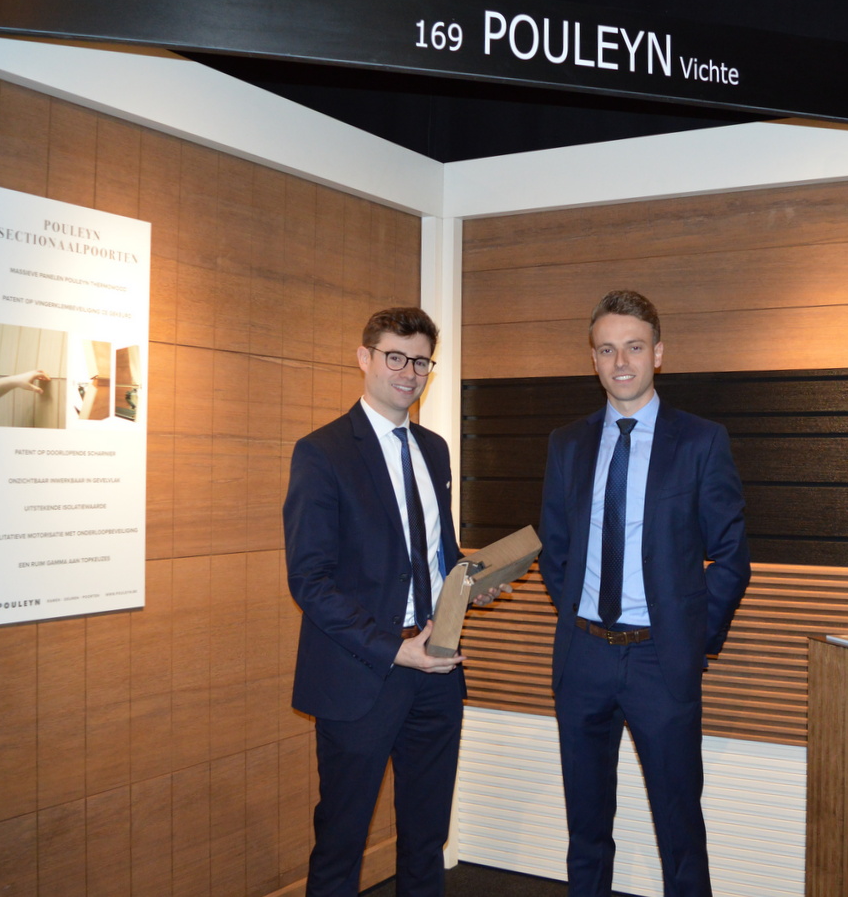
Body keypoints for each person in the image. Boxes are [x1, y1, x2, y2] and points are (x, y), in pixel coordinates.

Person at [284, 306, 503, 897]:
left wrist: (474, 582)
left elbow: (437, 552)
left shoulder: (434, 449)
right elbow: (310, 580)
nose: (409, 372)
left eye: (421, 361)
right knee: (342, 842)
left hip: (437, 670)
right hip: (360, 674)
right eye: (396, 357)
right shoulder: (322, 452)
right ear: (365, 358)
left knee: (427, 839)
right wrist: (393, 649)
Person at [539, 290, 751, 897]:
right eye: (607, 350)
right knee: (585, 828)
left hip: (662, 659)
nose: (621, 362)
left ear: (658, 353)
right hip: (583, 657)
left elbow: (732, 555)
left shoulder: (701, 441)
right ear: (594, 359)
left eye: (634, 347)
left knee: (679, 829)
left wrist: (691, 639)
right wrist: (576, 614)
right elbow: (555, 549)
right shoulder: (567, 443)